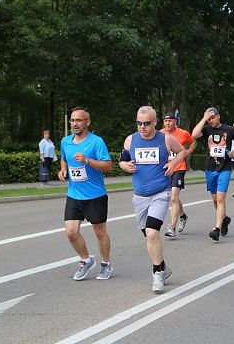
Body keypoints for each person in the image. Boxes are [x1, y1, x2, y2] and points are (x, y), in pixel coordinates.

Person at [119, 106, 186, 293]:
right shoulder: (130, 139)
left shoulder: (165, 139)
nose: (142, 127)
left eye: (146, 123)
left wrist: (173, 164)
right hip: (139, 196)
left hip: (160, 194)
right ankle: (163, 266)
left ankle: (157, 274)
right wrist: (126, 166)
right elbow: (122, 160)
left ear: (155, 122)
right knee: (149, 236)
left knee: (152, 233)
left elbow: (182, 151)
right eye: (139, 123)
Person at [58, 107, 113, 281]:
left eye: (79, 120)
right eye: (72, 120)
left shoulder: (96, 142)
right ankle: (86, 260)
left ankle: (105, 264)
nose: (75, 124)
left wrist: (87, 160)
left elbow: (108, 166)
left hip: (95, 195)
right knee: (71, 232)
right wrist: (63, 170)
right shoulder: (65, 141)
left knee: (99, 232)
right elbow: (64, 158)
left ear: (87, 122)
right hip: (74, 195)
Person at [192, 107, 234, 242]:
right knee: (214, 199)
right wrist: (203, 118)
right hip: (210, 168)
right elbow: (194, 135)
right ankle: (224, 219)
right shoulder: (207, 129)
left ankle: (217, 229)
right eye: (208, 118)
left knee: (220, 199)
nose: (210, 120)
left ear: (218, 116)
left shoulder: (229, 129)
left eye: (212, 117)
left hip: (225, 168)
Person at [160, 112, 197, 237]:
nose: (168, 123)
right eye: (166, 121)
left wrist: (188, 152)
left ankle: (171, 227)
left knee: (173, 197)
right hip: (165, 168)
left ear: (175, 121)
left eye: (170, 121)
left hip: (179, 167)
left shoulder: (183, 133)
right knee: (173, 198)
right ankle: (183, 216)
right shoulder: (160, 134)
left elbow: (193, 142)